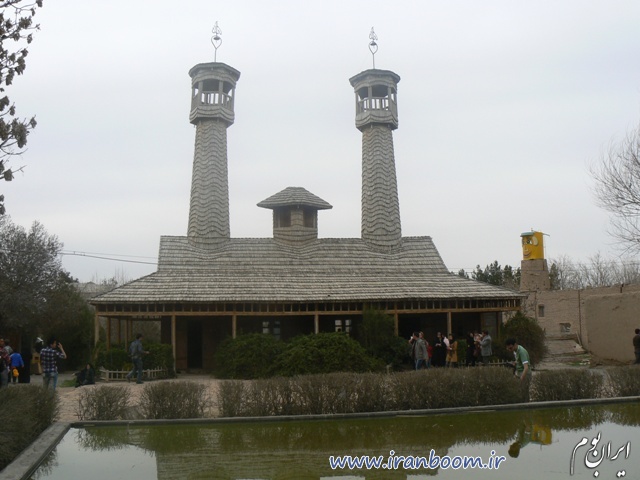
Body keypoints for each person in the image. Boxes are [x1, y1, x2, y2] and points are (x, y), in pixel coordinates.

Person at [506, 338, 531, 402]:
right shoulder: (516, 351)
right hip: (519, 372)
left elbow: (526, 367)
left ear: (515, 344)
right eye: (508, 348)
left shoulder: (521, 352)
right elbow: (520, 361)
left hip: (524, 373)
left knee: (524, 393)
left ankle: (526, 406)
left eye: (510, 348)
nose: (510, 350)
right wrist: (515, 363)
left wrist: (522, 378)